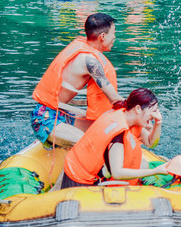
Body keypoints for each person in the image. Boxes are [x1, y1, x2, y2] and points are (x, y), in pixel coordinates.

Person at [31, 13, 123, 148]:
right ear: (102, 36)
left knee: (104, 130)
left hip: (58, 113)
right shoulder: (90, 62)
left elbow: (62, 94)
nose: (115, 37)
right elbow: (114, 99)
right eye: (113, 33)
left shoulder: (81, 46)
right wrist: (138, 108)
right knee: (90, 144)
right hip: (45, 120)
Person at [60, 88, 166, 188]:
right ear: (138, 109)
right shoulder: (118, 134)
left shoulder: (125, 114)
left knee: (142, 164)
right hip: (80, 180)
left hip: (79, 167)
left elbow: (151, 143)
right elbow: (117, 173)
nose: (155, 115)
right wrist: (155, 171)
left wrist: (158, 123)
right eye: (153, 111)